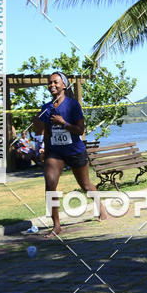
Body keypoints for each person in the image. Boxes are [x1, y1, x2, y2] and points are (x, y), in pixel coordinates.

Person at [35, 72, 107, 235]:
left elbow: (80, 130)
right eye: (49, 83)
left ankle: (101, 208)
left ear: (64, 85)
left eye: (56, 82)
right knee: (50, 185)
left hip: (75, 151)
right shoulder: (46, 108)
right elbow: (47, 133)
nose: (52, 85)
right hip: (55, 153)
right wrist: (44, 152)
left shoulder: (73, 105)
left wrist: (63, 123)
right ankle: (57, 226)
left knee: (86, 185)